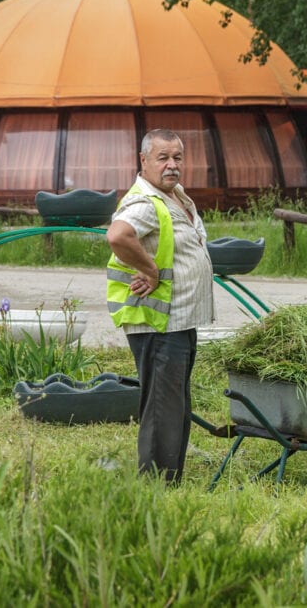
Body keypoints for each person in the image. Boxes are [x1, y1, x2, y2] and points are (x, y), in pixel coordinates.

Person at [106, 129, 214, 483]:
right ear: (144, 161)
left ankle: (170, 478)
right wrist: (149, 269)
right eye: (163, 158)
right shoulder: (145, 202)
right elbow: (118, 235)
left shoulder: (174, 196)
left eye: (177, 158)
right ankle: (157, 483)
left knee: (175, 406)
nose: (172, 166)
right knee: (162, 408)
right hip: (158, 323)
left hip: (179, 320)